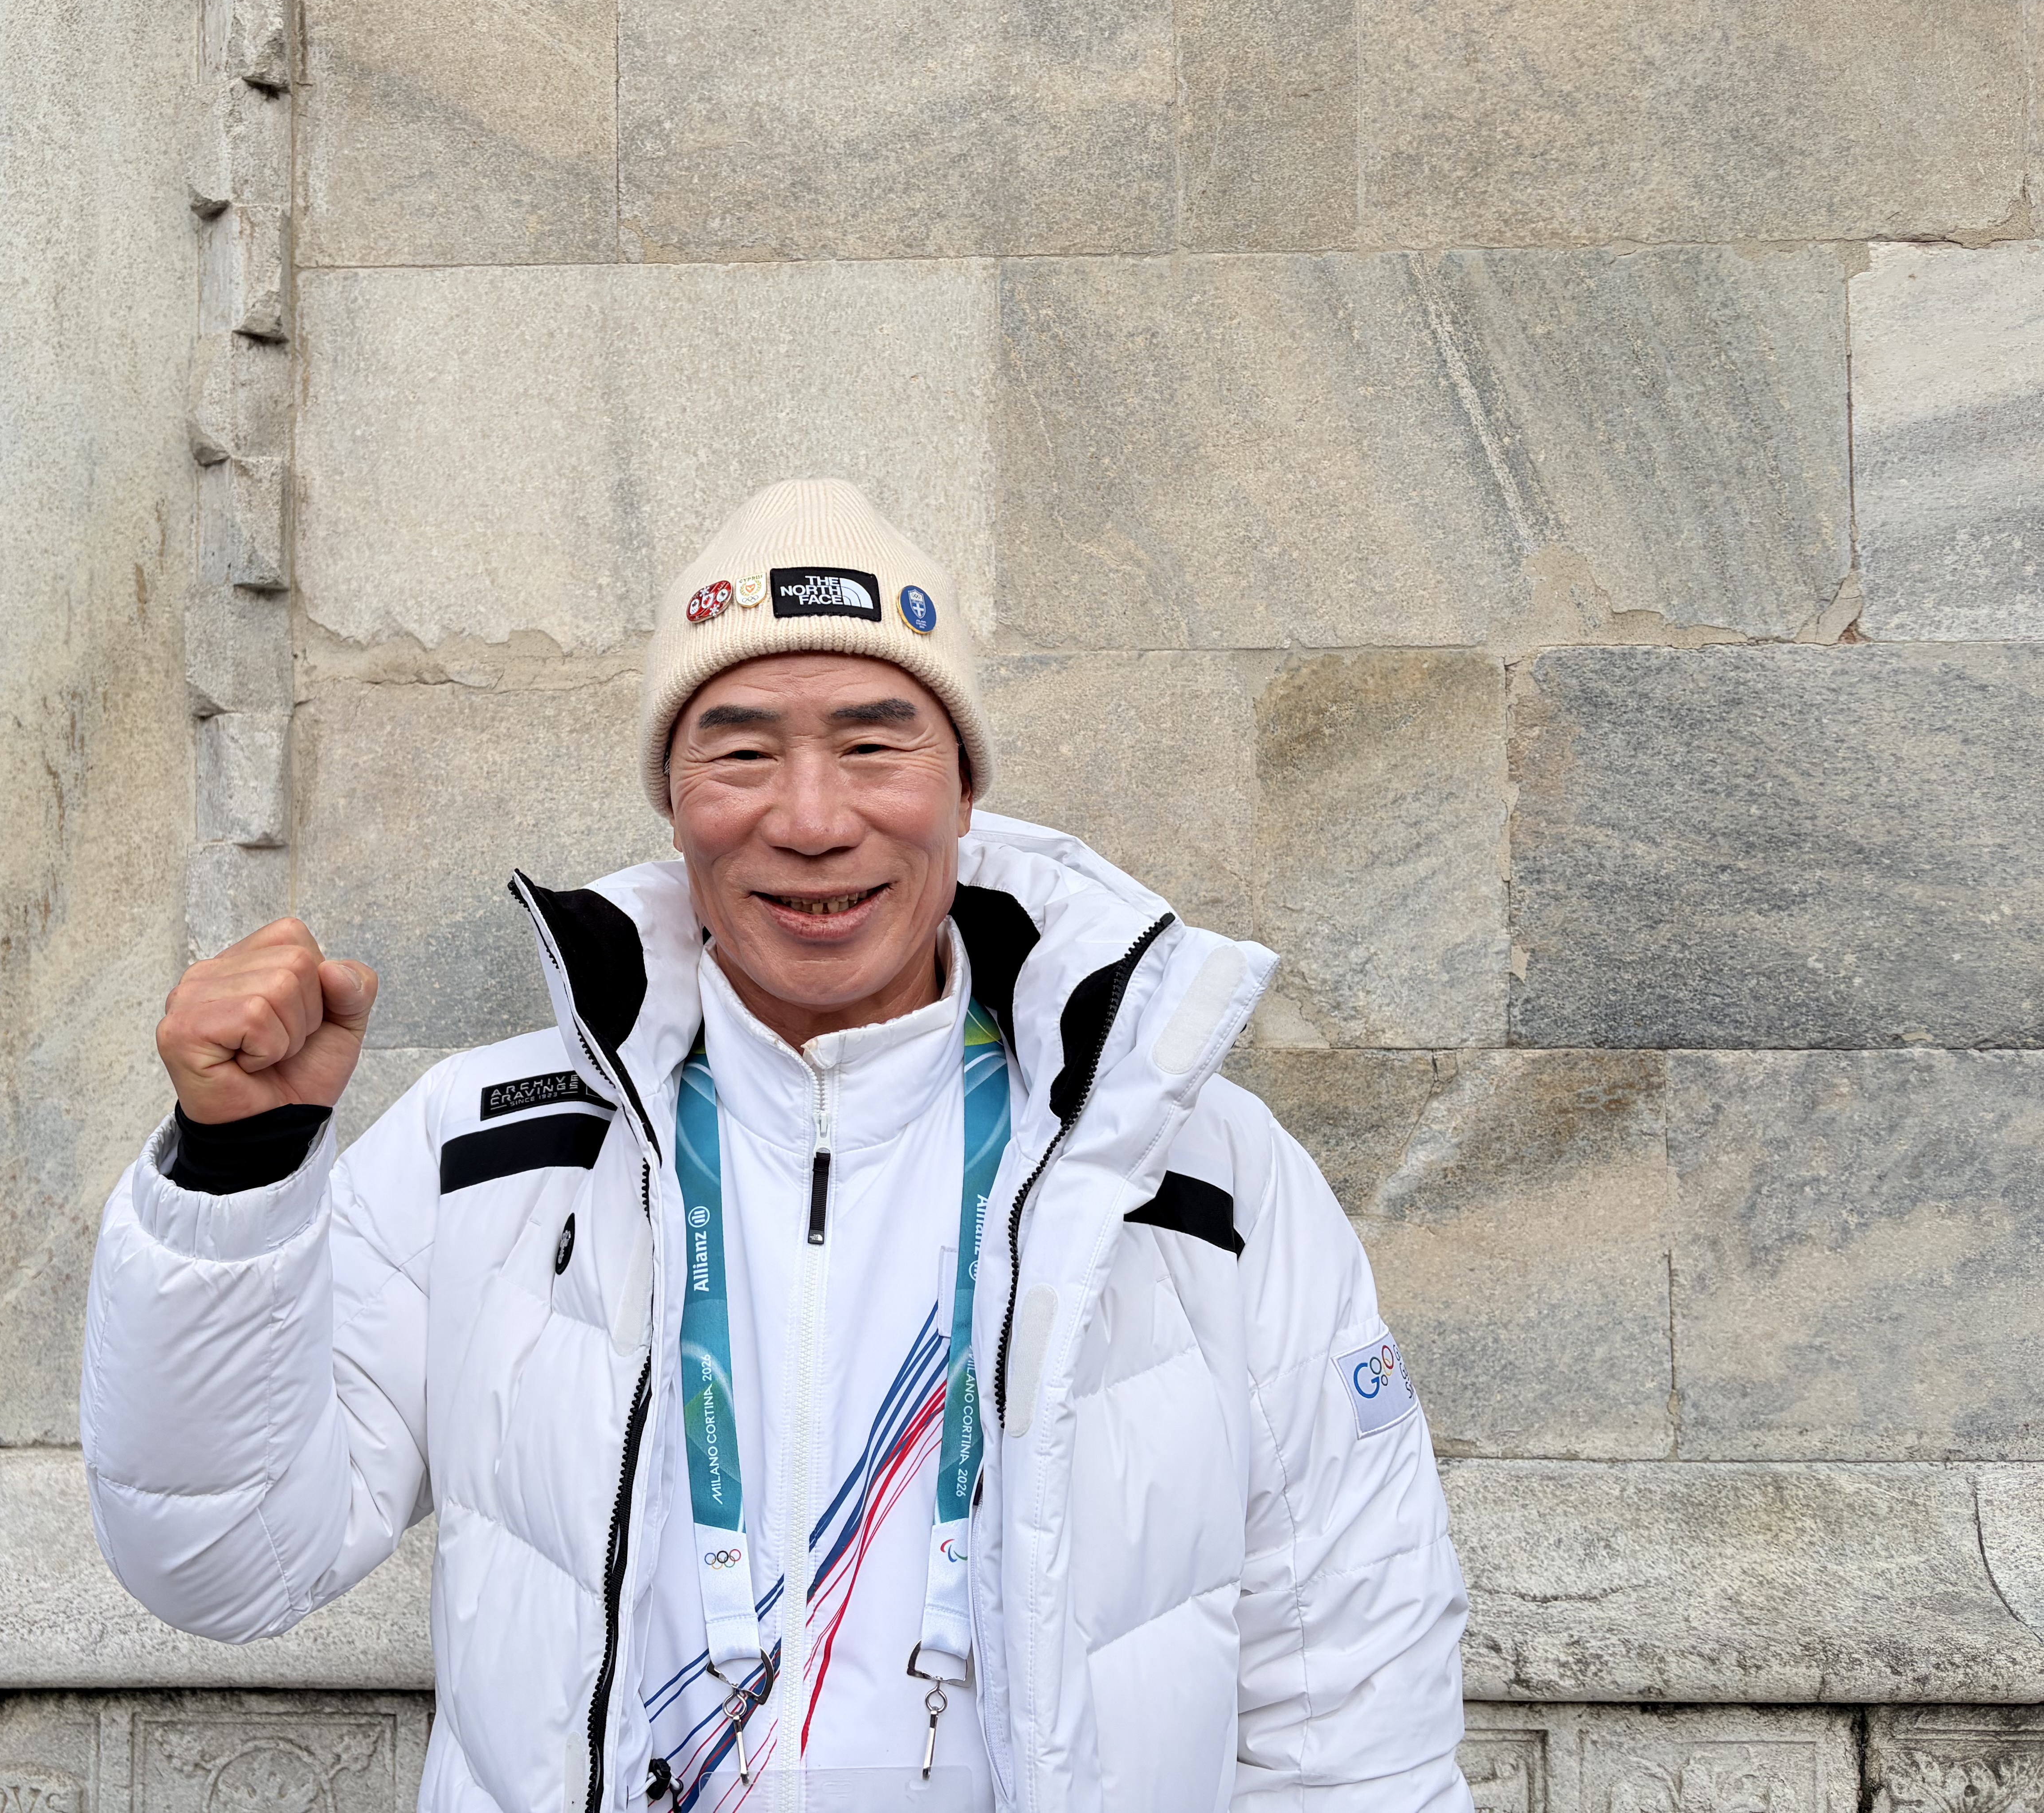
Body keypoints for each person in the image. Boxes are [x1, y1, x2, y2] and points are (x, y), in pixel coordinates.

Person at [82, 479, 1474, 1813]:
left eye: (874, 743)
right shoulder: (491, 1150)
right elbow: (221, 1556)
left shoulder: (1197, 1177)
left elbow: (1352, 1705)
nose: (812, 819)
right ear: (673, 799)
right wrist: (238, 1171)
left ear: (965, 791)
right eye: (743, 750)